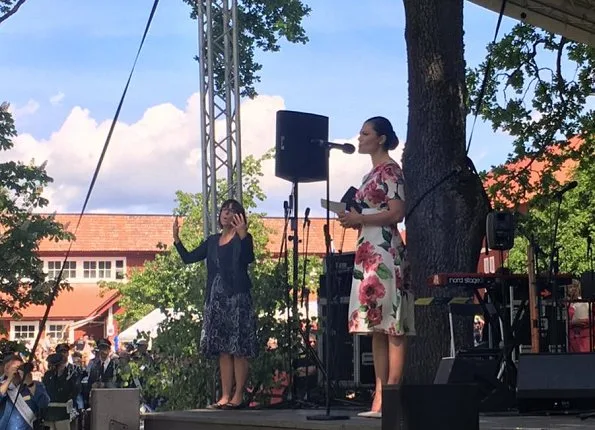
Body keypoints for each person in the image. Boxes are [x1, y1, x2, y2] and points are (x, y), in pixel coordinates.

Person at [339, 116, 415, 419]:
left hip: (385, 250)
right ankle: (379, 392)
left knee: (393, 323)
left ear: (380, 138)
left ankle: (393, 392)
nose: (359, 137)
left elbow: (396, 213)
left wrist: (362, 219)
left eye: (365, 132)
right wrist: (352, 218)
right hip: (367, 249)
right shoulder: (369, 174)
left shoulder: (391, 172)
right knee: (376, 325)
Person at [173, 199, 258, 410]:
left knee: (238, 348)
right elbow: (189, 258)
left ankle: (238, 395)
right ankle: (225, 395)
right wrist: (176, 239)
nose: (226, 214)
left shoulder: (243, 238)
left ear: (239, 216)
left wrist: (243, 234)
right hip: (216, 300)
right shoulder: (212, 241)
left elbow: (248, 259)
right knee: (223, 349)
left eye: (231, 211)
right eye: (223, 211)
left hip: (237, 298)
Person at [0, 354, 50, 430]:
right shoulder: (2, 386)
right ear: (6, 369)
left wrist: (30, 384)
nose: (18, 371)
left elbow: (44, 404)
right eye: (16, 367)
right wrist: (9, 379)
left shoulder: (35, 385)